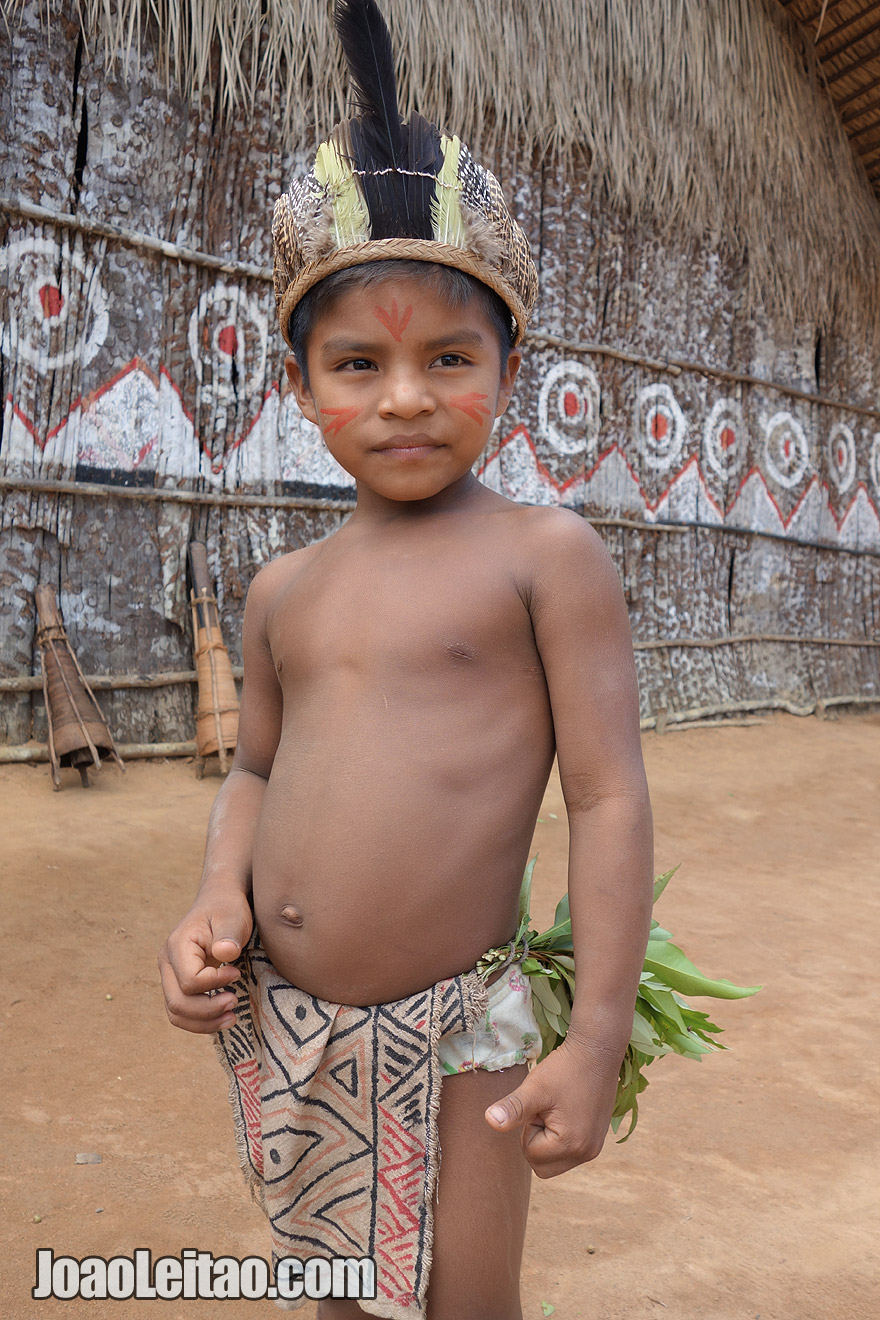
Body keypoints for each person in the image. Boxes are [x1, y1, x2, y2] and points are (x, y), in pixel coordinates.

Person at [158, 3, 653, 1317]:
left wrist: (595, 1037)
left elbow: (606, 798)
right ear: (300, 382)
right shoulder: (284, 591)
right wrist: (219, 903)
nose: (404, 397)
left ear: (509, 364)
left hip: (464, 1027)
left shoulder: (545, 559)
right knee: (332, 1289)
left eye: (449, 358)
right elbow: (256, 769)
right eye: (357, 363)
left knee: (463, 1297)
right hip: (294, 1029)